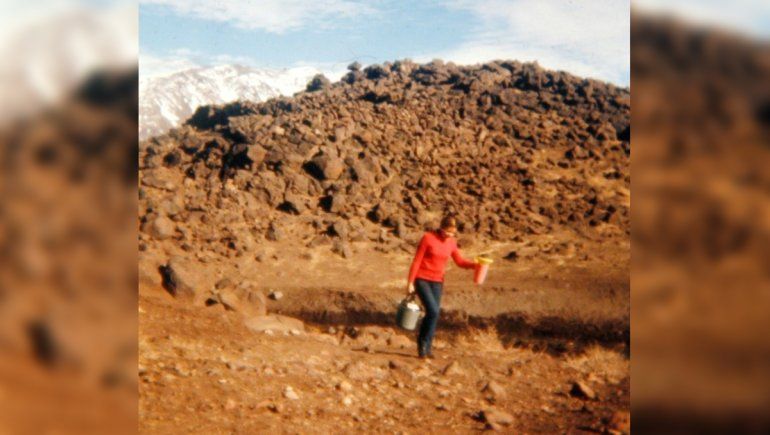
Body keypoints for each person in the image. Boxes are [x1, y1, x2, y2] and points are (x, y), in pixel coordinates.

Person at [406, 215, 477, 358]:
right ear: (441, 228)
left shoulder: (451, 242)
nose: (449, 235)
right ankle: (423, 343)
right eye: (447, 232)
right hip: (422, 279)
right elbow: (417, 260)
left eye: (452, 233)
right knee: (433, 311)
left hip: (437, 281)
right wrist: (410, 282)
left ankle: (428, 348)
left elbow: (460, 261)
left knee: (434, 313)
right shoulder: (428, 238)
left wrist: (476, 265)